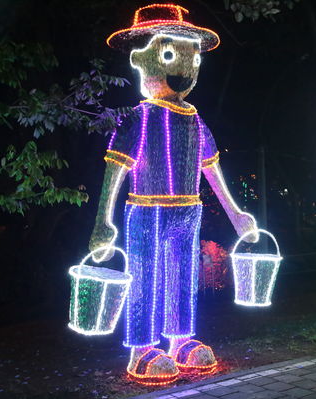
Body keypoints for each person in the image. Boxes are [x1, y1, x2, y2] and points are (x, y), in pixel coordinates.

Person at [89, 3, 257, 385]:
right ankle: (142, 348)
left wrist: (235, 213)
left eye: (192, 58)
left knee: (183, 275)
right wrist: (103, 220)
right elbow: (115, 168)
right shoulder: (138, 118)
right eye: (169, 55)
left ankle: (180, 339)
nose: (183, 69)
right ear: (140, 59)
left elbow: (211, 167)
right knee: (145, 276)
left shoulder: (195, 119)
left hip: (188, 210)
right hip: (146, 210)